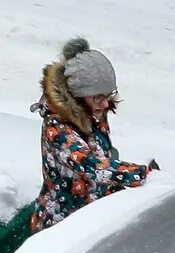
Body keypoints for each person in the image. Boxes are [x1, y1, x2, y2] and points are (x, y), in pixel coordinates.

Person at [29, 37, 158, 233]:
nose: (105, 104)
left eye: (108, 95)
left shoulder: (92, 110)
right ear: (76, 95)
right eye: (98, 97)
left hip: (94, 213)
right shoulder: (57, 128)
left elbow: (101, 155)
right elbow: (89, 164)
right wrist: (143, 175)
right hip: (63, 225)